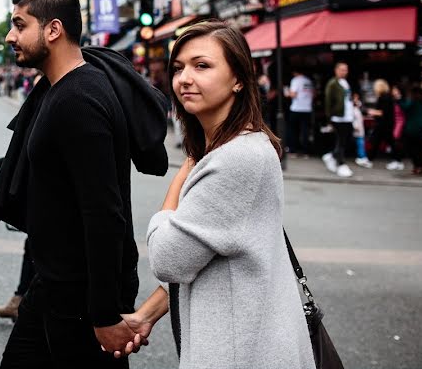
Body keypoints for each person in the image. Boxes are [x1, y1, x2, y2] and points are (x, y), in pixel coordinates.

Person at [126, 19, 315, 369]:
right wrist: (147, 314)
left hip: (241, 352)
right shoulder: (240, 148)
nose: (185, 79)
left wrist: (181, 179)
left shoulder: (236, 159)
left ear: (239, 79)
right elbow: (209, 253)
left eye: (202, 66)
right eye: (179, 68)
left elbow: (168, 258)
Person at [0, 0, 142, 368]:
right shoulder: (59, 89)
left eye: (20, 24)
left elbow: (104, 213)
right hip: (52, 283)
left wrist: (105, 313)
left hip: (79, 294)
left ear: (53, 29)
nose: (10, 36)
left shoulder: (79, 99)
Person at [322, 61, 354, 178]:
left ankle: (331, 156)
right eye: (342, 69)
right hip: (338, 117)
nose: (344, 72)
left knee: (346, 140)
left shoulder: (345, 83)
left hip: (348, 116)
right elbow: (328, 101)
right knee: (340, 141)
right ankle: (341, 164)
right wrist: (330, 117)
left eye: (346, 69)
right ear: (336, 70)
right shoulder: (333, 84)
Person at [368, 79, 402, 170]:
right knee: (379, 142)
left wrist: (372, 112)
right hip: (386, 124)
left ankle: (397, 161)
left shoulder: (384, 97)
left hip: (384, 124)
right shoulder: (387, 97)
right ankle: (369, 159)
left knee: (381, 142)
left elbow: (383, 112)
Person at [401, 85, 422, 175]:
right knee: (420, 148)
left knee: (413, 149)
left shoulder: (412, 101)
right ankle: (421, 166)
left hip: (412, 128)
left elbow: (404, 107)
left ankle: (417, 166)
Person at [286, 69, 313, 155]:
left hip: (296, 108)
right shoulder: (308, 81)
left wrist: (287, 92)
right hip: (307, 108)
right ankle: (306, 150)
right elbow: (314, 93)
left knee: (293, 130)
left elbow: (293, 94)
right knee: (305, 130)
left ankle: (293, 149)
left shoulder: (296, 80)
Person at [351, 92, 372, 169]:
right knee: (360, 143)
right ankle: (362, 157)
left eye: (357, 98)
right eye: (355, 98)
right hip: (356, 129)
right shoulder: (351, 108)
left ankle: (362, 157)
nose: (356, 99)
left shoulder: (358, 107)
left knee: (360, 143)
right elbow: (351, 118)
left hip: (360, 128)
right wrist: (354, 126)